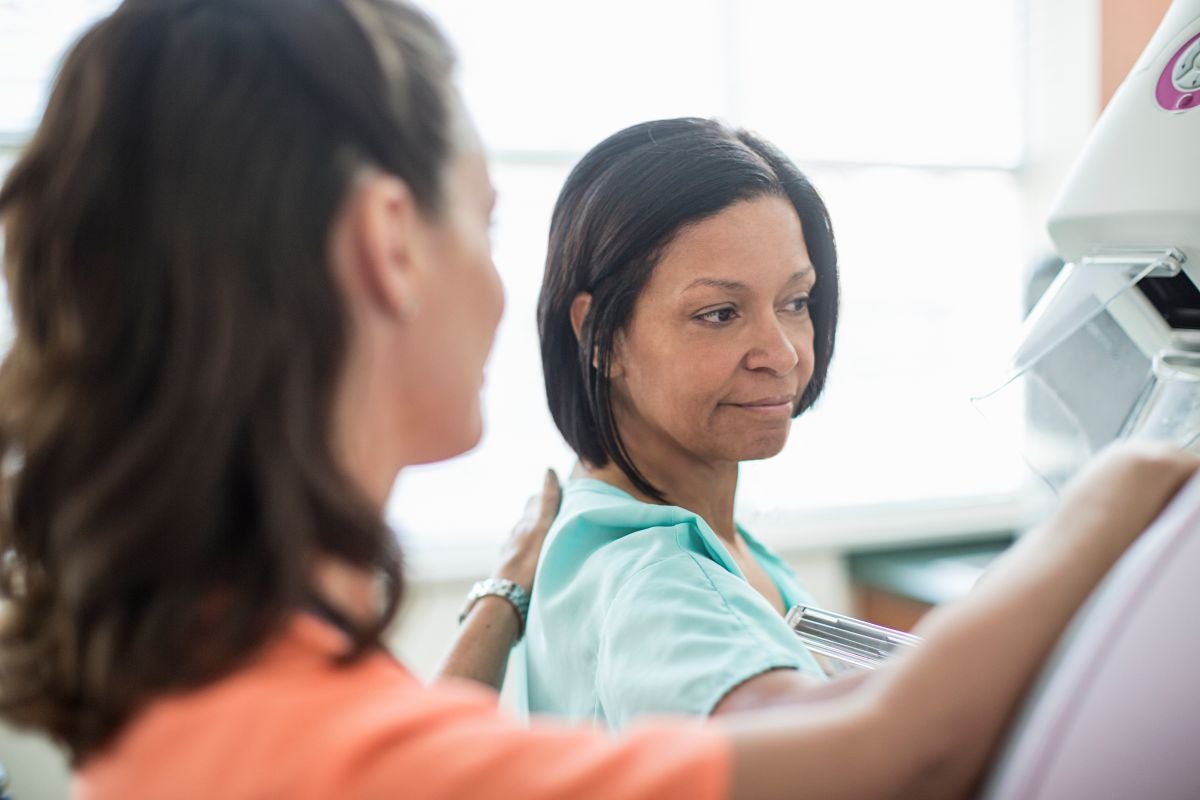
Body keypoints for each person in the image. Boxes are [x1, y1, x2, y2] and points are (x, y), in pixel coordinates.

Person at [0, 2, 1193, 798]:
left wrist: (506, 591)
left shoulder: (221, 675)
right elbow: (898, 751)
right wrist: (1129, 486)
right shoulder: (311, 740)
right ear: (388, 244)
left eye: (797, 302)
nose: (779, 346)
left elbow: (414, 735)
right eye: (487, 221)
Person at [524, 118, 837, 727]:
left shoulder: (696, 536)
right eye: (720, 314)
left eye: (795, 302)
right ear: (600, 335)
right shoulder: (655, 579)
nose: (783, 354)